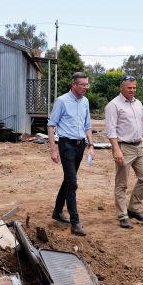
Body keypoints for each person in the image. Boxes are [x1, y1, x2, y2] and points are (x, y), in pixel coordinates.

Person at [47, 71, 93, 236]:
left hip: (80, 145)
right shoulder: (62, 101)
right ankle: (75, 222)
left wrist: (91, 145)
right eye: (82, 84)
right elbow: (51, 126)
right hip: (66, 145)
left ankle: (57, 212)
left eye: (87, 84)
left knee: (68, 180)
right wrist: (53, 149)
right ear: (74, 85)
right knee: (72, 183)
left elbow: (88, 125)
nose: (85, 87)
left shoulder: (85, 102)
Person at [105, 75, 143, 229]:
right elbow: (111, 131)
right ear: (122, 88)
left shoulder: (138, 104)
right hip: (124, 147)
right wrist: (116, 149)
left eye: (134, 88)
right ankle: (123, 215)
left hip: (140, 146)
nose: (132, 90)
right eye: (129, 88)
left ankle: (133, 209)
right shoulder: (113, 105)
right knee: (121, 184)